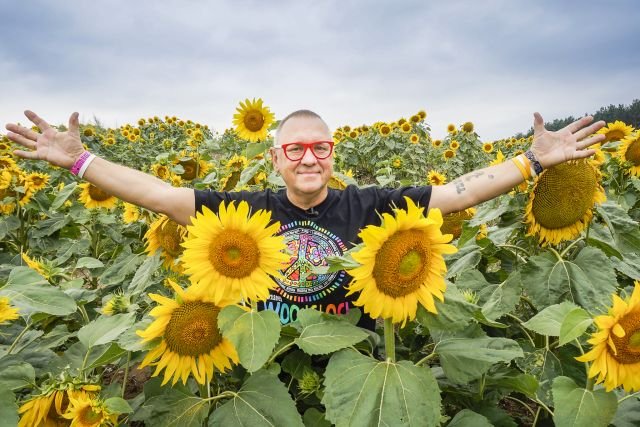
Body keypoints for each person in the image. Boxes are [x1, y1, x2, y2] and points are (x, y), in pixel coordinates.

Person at [5, 109, 605, 330]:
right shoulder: (247, 212)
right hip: (269, 346)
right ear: (277, 158)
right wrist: (80, 161)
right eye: (296, 149)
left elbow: (454, 195)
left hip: (351, 348)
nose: (309, 157)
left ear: (333, 155)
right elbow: (161, 196)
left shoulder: (368, 205)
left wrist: (530, 161)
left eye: (319, 148)